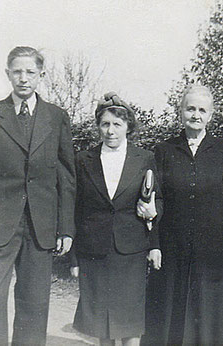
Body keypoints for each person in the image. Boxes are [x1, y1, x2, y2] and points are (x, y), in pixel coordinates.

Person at [0, 46, 76, 345]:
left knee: (34, 303)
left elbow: (66, 176)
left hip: (40, 226)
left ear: (41, 75)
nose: (23, 78)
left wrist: (66, 227)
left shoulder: (57, 117)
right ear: (7, 74)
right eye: (17, 71)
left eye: (30, 72)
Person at [142, 85, 223, 345]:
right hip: (173, 246)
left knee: (212, 317)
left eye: (202, 110)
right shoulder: (164, 150)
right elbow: (157, 200)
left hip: (214, 251)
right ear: (181, 113)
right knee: (173, 316)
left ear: (211, 115)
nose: (196, 115)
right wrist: (154, 244)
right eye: (190, 109)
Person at [70, 92, 163, 346]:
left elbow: (157, 200)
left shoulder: (144, 158)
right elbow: (76, 208)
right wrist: (74, 256)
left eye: (117, 124)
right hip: (94, 249)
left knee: (130, 318)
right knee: (102, 320)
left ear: (128, 126)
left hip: (131, 248)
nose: (110, 131)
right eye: (105, 124)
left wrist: (154, 238)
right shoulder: (83, 160)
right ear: (98, 125)